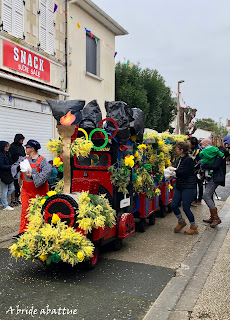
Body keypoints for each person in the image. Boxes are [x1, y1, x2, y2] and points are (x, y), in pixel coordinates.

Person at [11, 139, 51, 238]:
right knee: (25, 211)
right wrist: (18, 168)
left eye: (27, 147)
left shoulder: (43, 161)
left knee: (39, 212)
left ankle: (38, 233)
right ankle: (23, 232)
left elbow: (46, 172)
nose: (25, 149)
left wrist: (32, 176)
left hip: (40, 192)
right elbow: (14, 167)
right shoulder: (24, 159)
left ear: (32, 149)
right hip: (26, 190)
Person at [169, 141, 198, 235]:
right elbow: (179, 173)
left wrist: (175, 170)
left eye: (177, 149)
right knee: (173, 205)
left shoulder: (189, 160)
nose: (176, 150)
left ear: (182, 150)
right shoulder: (179, 159)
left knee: (186, 207)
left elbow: (185, 173)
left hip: (188, 187)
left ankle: (193, 227)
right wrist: (172, 175)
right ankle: (181, 221)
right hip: (180, 186)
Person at [202, 137, 228, 228]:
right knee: (210, 196)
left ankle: (216, 218)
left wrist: (204, 165)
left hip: (216, 176)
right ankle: (212, 217)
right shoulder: (217, 152)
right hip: (214, 176)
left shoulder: (219, 152)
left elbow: (215, 165)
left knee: (206, 195)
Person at [9, 134, 26, 205]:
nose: (22, 141)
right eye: (21, 139)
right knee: (14, 183)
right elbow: (10, 157)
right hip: (14, 167)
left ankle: (17, 198)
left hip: (21, 167)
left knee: (19, 184)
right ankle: (12, 200)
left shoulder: (21, 147)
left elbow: (24, 155)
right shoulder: (12, 147)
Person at [0, 141, 15, 210]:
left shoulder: (7, 154)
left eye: (8, 146)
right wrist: (10, 166)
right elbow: (1, 166)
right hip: (3, 174)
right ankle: (5, 205)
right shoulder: (0, 155)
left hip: (8, 174)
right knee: (5, 189)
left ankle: (2, 200)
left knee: (12, 188)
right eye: (6, 146)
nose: (7, 148)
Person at [189, 137, 203, 206]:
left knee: (197, 184)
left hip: (197, 169)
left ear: (193, 144)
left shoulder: (197, 150)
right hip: (197, 168)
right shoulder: (196, 148)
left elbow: (192, 159)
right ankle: (197, 199)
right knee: (197, 184)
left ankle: (196, 200)